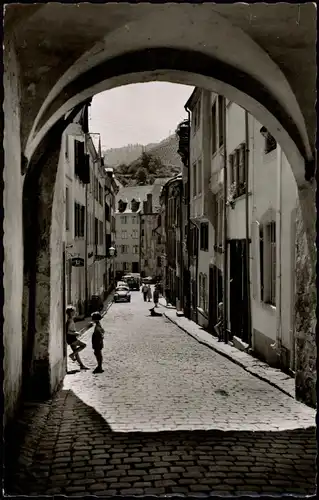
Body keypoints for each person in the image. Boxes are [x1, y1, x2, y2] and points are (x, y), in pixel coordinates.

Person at [66, 306, 88, 370]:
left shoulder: (71, 319)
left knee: (76, 352)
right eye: (73, 312)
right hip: (71, 338)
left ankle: (82, 365)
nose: (75, 313)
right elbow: (68, 331)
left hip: (71, 337)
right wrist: (75, 333)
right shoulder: (70, 320)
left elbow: (71, 329)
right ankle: (72, 355)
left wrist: (75, 332)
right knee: (83, 345)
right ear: (70, 313)